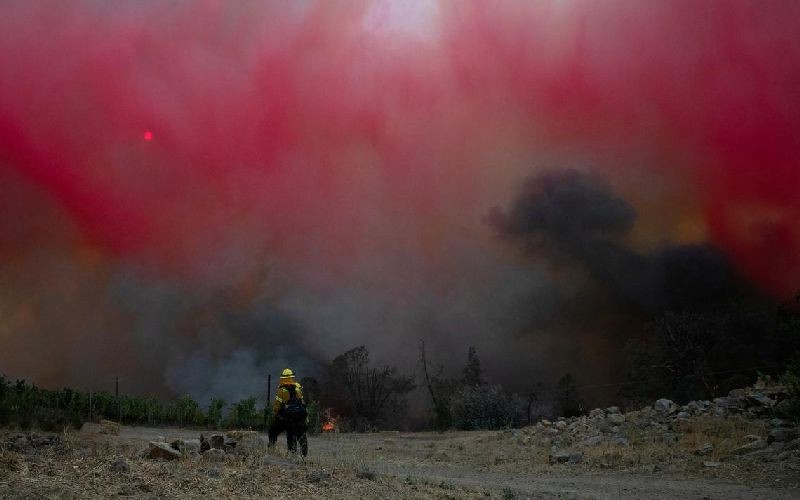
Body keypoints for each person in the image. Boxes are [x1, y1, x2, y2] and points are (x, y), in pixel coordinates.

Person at [268, 368, 308, 456]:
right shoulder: (298, 388)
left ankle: (271, 450)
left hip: (288, 418)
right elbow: (302, 402)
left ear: (283, 378)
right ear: (292, 377)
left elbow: (277, 406)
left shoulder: (281, 390)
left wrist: (276, 414)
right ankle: (304, 455)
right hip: (300, 417)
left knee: (273, 432)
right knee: (301, 435)